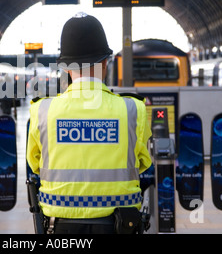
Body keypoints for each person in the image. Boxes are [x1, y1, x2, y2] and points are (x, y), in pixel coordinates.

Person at [26, 13, 152, 234]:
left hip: (60, 227)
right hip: (120, 225)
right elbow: (143, 162)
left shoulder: (42, 111)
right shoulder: (133, 110)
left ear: (65, 67)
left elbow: (36, 164)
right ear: (105, 62)